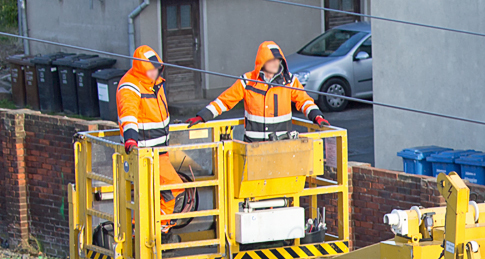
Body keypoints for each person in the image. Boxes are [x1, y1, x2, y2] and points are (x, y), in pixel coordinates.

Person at [188, 41, 328, 140]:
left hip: (281, 145)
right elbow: (224, 102)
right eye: (271, 60)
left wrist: (317, 116)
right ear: (262, 62)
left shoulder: (289, 81)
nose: (275, 63)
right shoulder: (247, 81)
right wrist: (202, 116)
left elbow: (304, 101)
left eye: (278, 60)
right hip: (253, 146)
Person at [117, 45, 181, 233]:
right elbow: (128, 114)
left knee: (149, 195)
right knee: (173, 189)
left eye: (157, 68)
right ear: (141, 69)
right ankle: (159, 228)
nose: (155, 72)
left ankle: (146, 229)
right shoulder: (130, 86)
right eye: (151, 69)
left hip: (159, 150)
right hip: (145, 152)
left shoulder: (155, 83)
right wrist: (130, 139)